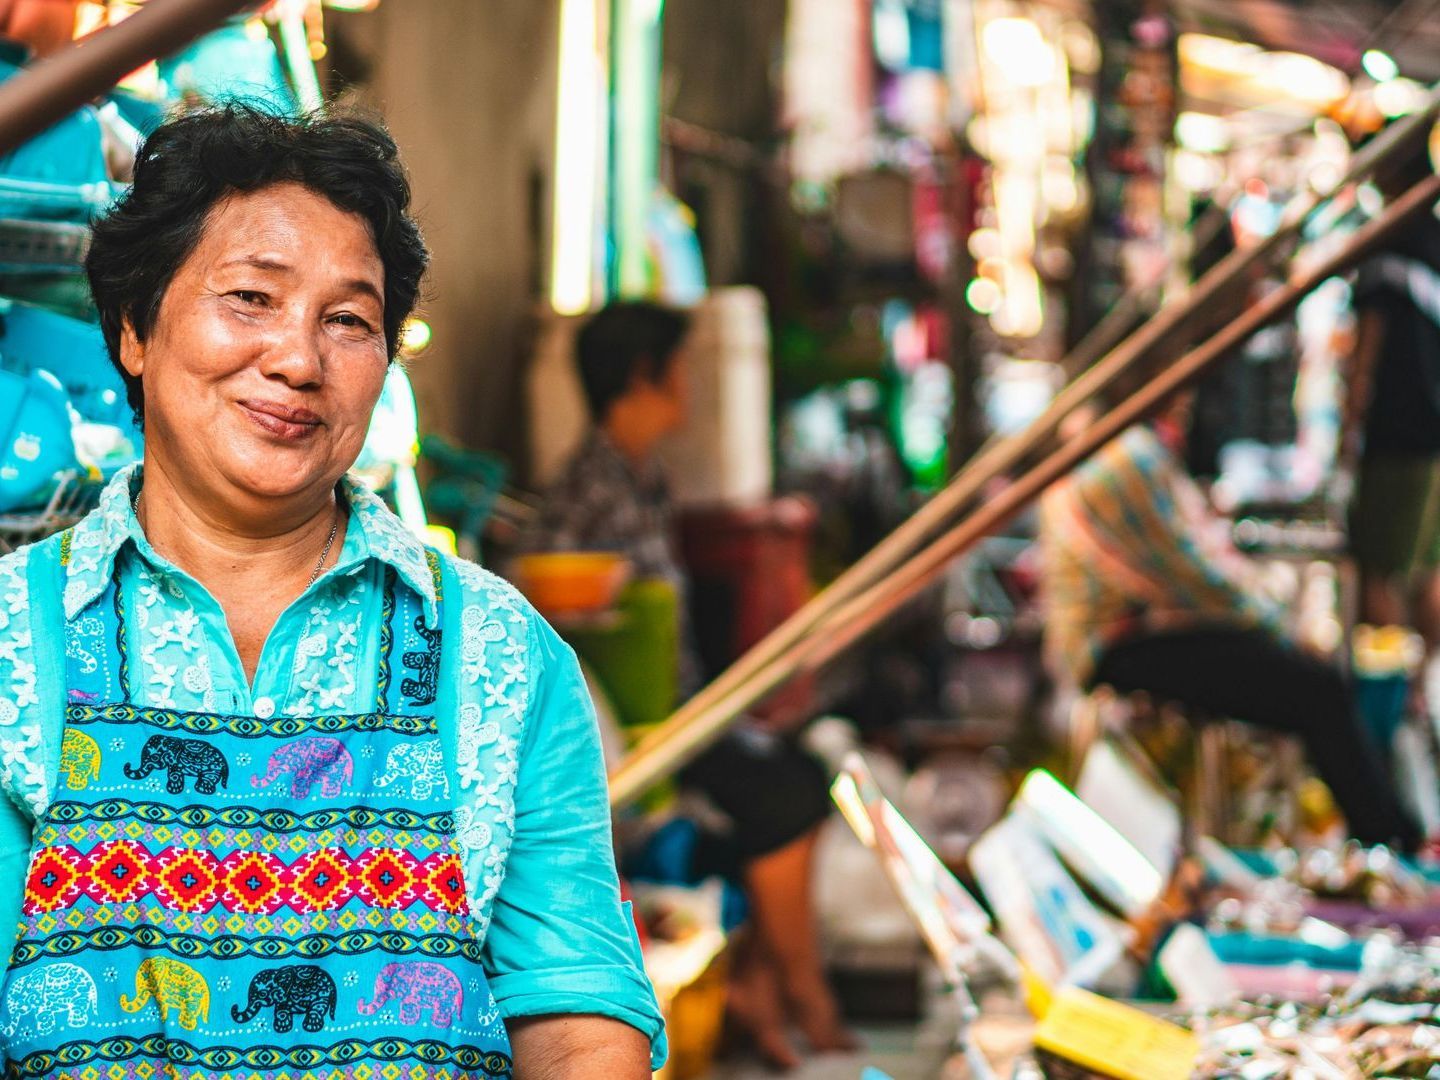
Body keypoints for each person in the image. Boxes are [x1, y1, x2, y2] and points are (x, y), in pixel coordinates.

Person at [0, 105, 662, 1078]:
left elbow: (577, 1018)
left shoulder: (497, 655)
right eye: (251, 299)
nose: (299, 360)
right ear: (135, 328)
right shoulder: (19, 643)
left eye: (348, 319)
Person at [522, 301, 854, 1069]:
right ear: (643, 378)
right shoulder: (589, 490)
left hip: (688, 713)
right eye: (678, 370)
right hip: (639, 731)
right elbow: (543, 596)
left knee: (804, 774)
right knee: (783, 797)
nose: (690, 387)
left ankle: (765, 993)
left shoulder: (645, 478)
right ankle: (800, 995)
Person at [1040, 395, 1420, 851]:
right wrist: (1280, 623)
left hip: (1126, 637)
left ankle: (1386, 832)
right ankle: (1389, 837)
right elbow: (1190, 576)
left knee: (1315, 682)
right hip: (1119, 644)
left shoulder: (1112, 450)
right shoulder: (1124, 456)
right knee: (1318, 687)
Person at [1345, 143, 1440, 695]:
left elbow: (1369, 347)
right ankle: (1421, 688)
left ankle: (1390, 699)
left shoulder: (1392, 244)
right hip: (1430, 433)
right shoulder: (1434, 241)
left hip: (1398, 430)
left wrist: (1352, 424)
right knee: (1425, 563)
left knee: (1381, 568)